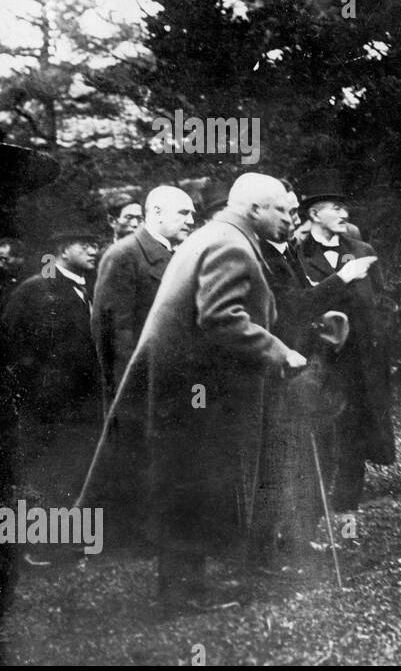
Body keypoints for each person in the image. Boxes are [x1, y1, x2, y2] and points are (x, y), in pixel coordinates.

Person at [77, 174, 306, 611]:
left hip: (182, 388)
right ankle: (182, 596)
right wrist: (279, 353)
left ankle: (185, 589)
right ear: (256, 209)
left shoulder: (212, 236)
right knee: (191, 486)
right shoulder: (232, 245)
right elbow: (220, 317)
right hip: (195, 391)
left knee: (184, 485)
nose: (290, 218)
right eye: (283, 210)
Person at [249, 187, 376, 573]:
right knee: (285, 458)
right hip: (291, 365)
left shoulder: (282, 250)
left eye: (293, 213)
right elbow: (291, 306)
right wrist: (343, 278)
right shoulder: (268, 254)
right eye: (286, 213)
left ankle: (303, 535)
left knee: (326, 450)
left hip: (335, 359)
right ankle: (271, 547)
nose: (292, 221)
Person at [296, 171, 395, 534]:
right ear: (314, 214)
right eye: (335, 207)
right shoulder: (298, 256)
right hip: (322, 365)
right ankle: (308, 526)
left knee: (356, 442)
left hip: (363, 364)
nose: (343, 212)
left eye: (344, 206)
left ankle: (348, 522)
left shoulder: (363, 252)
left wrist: (378, 336)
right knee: (321, 442)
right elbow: (298, 307)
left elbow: (382, 300)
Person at [1, 222, 103, 516]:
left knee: (75, 473)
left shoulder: (91, 287)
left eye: (95, 244)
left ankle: (69, 542)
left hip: (84, 404)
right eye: (84, 244)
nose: (93, 250)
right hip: (48, 407)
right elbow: (12, 347)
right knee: (48, 478)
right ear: (62, 250)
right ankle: (39, 546)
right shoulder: (35, 290)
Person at [92, 186, 195, 399]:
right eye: (184, 213)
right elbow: (113, 334)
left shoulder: (177, 253)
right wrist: (131, 390)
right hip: (143, 388)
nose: (191, 221)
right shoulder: (124, 255)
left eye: (192, 214)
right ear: (157, 212)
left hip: (175, 380)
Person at [0, 237, 26, 312]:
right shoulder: (4, 278)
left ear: (20, 258)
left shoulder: (29, 282)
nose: (0, 265)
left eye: (4, 259)